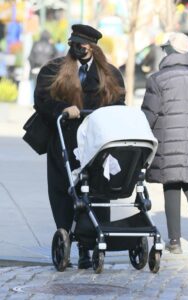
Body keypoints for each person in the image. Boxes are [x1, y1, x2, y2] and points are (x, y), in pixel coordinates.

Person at [34, 24, 125, 268]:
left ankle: (90, 245)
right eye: (74, 43)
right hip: (65, 139)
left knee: (95, 191)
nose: (77, 48)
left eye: (82, 45)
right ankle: (65, 234)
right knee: (64, 192)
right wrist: (62, 110)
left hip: (96, 142)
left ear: (93, 47)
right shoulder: (54, 70)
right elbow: (41, 100)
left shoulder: (110, 73)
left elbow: (120, 102)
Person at [141, 32, 188, 254]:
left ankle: (174, 241)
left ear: (168, 51)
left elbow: (149, 114)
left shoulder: (157, 79)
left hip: (168, 145)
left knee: (171, 187)